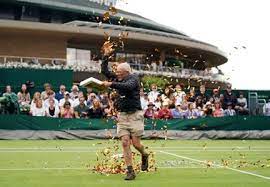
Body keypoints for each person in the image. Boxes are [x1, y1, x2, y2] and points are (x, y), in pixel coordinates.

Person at [101, 47, 149, 180]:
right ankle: (130, 171)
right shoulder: (118, 76)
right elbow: (104, 71)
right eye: (116, 72)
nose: (117, 74)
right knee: (125, 142)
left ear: (127, 72)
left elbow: (127, 87)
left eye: (120, 72)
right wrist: (105, 57)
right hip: (122, 115)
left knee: (136, 144)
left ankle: (144, 155)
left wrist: (110, 84)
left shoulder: (133, 79)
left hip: (135, 116)